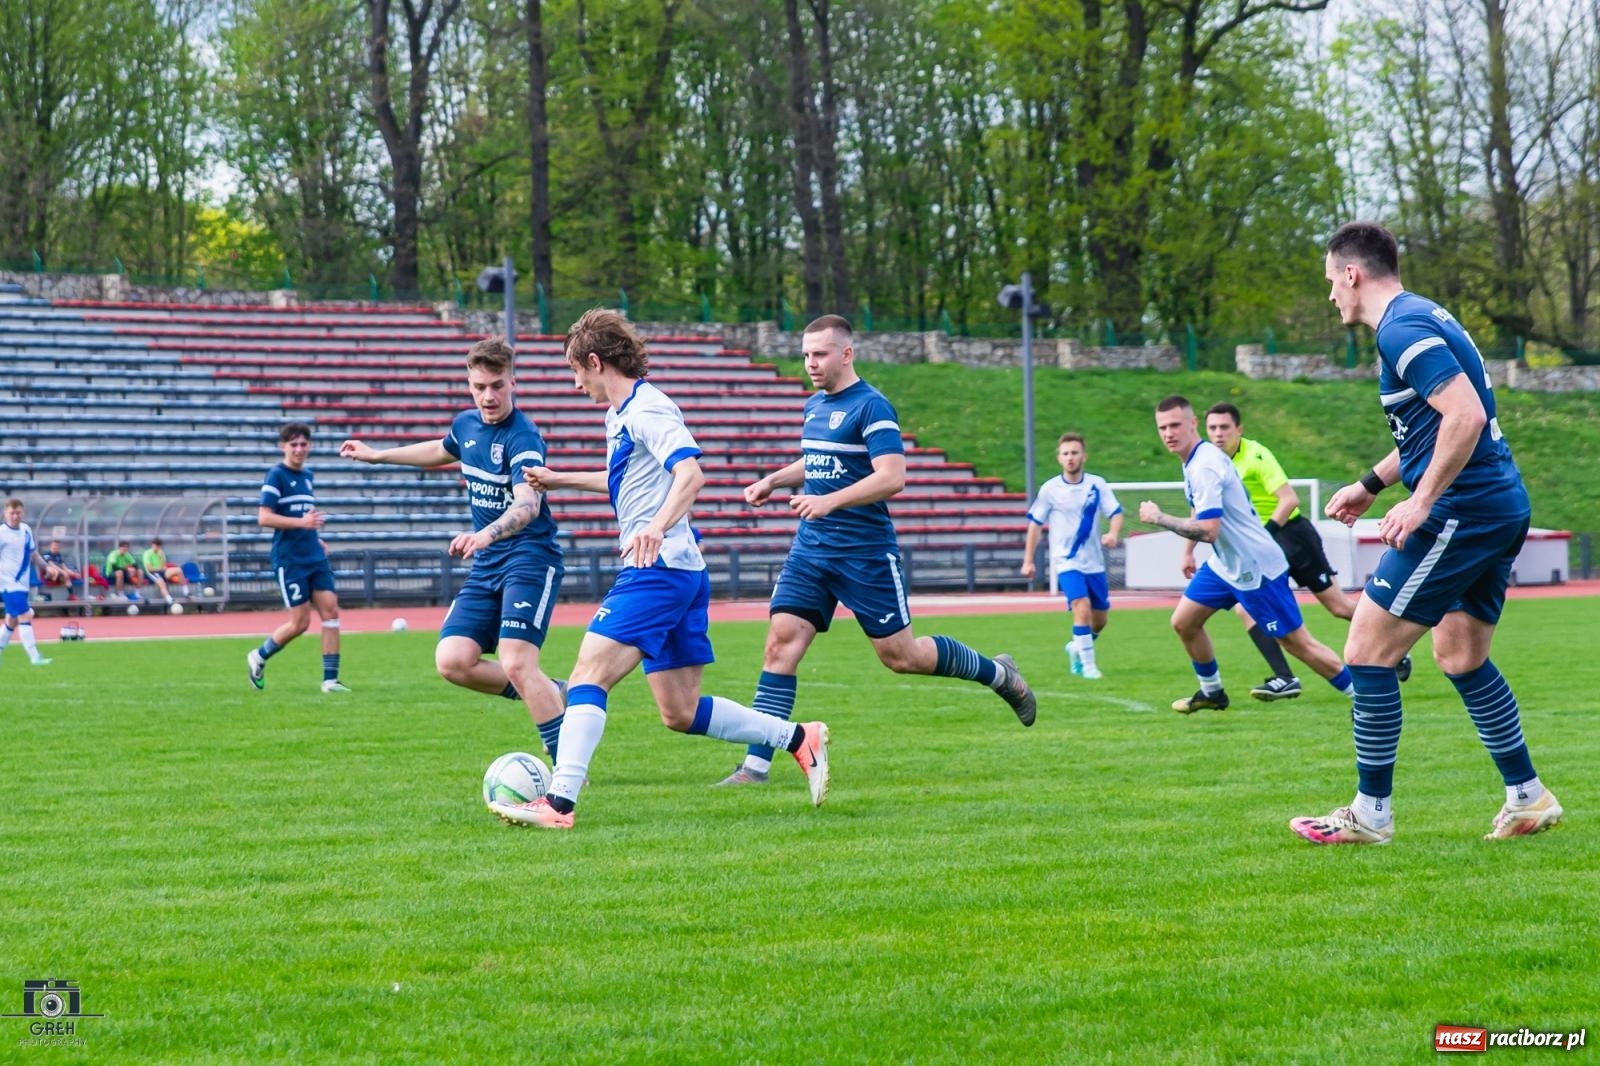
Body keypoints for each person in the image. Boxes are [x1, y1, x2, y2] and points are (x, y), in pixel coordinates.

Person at [492, 308, 829, 829]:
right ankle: (798, 738)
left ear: (596, 361)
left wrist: (656, 526)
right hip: (681, 572)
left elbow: (690, 475)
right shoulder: (620, 413)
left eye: (575, 371)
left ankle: (558, 803)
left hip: (657, 568)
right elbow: (624, 478)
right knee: (681, 711)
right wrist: (561, 480)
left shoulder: (648, 409)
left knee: (587, 675)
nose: (575, 382)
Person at [1291, 221, 1561, 845]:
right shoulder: (1425, 316)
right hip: (1497, 503)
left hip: (1463, 510)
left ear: (1353, 274)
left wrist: (1421, 500)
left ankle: (1370, 814)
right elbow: (1431, 428)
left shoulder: (1401, 329)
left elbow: (1464, 416)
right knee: (1460, 655)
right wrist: (1371, 484)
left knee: (1365, 650)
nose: (1331, 294)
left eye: (1331, 281)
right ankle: (1528, 796)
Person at [716, 314, 1037, 788]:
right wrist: (774, 479)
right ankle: (755, 768)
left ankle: (998, 673)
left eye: (819, 354)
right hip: (812, 551)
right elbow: (820, 458)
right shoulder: (813, 406)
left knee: (901, 656)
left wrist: (828, 500)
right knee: (779, 645)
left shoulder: (873, 406)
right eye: (805, 355)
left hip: (864, 553)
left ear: (846, 353)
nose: (810, 363)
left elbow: (892, 476)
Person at [340, 339, 567, 754]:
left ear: (513, 382)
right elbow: (439, 450)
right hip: (489, 565)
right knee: (453, 661)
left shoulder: (523, 438)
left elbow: (528, 505)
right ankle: (552, 692)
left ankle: (567, 772)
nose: (489, 396)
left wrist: (484, 535)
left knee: (517, 663)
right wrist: (378, 456)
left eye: (497, 385)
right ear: (469, 384)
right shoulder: (466, 424)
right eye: (479, 386)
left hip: (529, 559)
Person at [1140, 396, 1355, 713]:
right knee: (1184, 622)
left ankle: (1365, 698)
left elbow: (1209, 530)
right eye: (1162, 427)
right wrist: (1188, 551)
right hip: (1224, 564)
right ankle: (1212, 692)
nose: (1169, 433)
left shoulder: (1204, 465)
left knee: (1297, 643)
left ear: (1191, 424)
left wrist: (1158, 518)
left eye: (1175, 425)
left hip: (1255, 568)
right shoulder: (1196, 459)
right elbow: (1203, 515)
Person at [1201, 402, 1414, 700]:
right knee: (1244, 606)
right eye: (1212, 428)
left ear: (1239, 429)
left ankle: (1397, 646)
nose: (1218, 434)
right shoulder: (1211, 464)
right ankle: (1284, 677)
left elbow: (1287, 499)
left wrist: (1265, 536)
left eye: (1224, 427)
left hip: (1292, 537)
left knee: (1338, 607)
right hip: (1260, 548)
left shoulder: (1256, 455)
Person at [247, 424, 350, 693]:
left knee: (331, 611)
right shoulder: (276, 476)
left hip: (313, 555)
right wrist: (302, 523)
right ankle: (259, 656)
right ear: (283, 447)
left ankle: (330, 681)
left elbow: (306, 517)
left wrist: (314, 538)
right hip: (290, 559)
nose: (299, 449)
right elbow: (264, 517)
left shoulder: (307, 476)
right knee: (300, 623)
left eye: (303, 444)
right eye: (293, 445)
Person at [1020, 432, 1124, 680]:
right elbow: (1035, 524)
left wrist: (1113, 533)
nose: (1070, 457)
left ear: (1083, 456)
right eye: (1065, 453)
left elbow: (1116, 513)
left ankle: (1076, 647)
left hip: (1094, 563)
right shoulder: (1050, 489)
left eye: (1074, 452)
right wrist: (1028, 560)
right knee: (1082, 607)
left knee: (1099, 620)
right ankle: (1088, 666)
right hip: (1066, 560)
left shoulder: (1097, 485)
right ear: (1059, 458)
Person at [1, 499, 63, 666]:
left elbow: (33, 554)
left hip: (22, 584)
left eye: (18, 513)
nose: (15, 516)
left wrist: (47, 567)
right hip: (8, 583)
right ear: (5, 514)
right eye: (11, 513)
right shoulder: (1, 533)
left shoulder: (26, 530)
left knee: (12, 619)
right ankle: (35, 657)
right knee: (26, 614)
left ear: (23, 513)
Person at [140, 537, 189, 604]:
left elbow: (164, 566)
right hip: (152, 573)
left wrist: (161, 558)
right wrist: (160, 569)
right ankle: (169, 599)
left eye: (158, 546)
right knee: (161, 582)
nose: (157, 547)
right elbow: (149, 569)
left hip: (161, 571)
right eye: (155, 545)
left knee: (178, 570)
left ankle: (186, 592)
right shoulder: (147, 553)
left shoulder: (161, 553)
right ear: (152, 545)